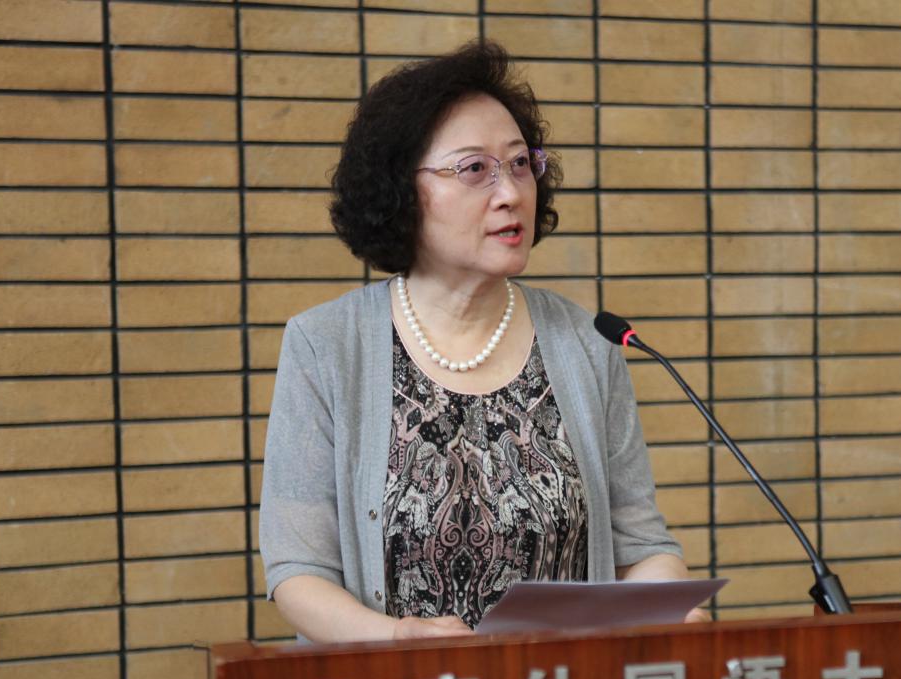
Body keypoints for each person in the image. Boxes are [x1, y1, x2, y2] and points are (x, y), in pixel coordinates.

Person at [259, 41, 702, 642]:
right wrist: (397, 639)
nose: (511, 192)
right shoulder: (326, 346)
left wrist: (670, 610)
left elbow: (641, 546)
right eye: (474, 170)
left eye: (520, 164)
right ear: (401, 190)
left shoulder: (587, 343)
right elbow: (299, 570)